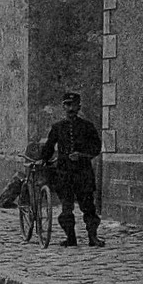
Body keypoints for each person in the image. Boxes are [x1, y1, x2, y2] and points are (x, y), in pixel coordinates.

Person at [39, 90, 105, 247]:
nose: (70, 109)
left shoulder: (87, 127)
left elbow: (96, 147)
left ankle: (92, 237)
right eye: (67, 105)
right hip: (64, 173)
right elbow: (49, 147)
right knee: (66, 208)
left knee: (88, 207)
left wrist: (82, 155)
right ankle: (70, 237)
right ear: (63, 107)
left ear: (79, 106)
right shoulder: (57, 127)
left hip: (83, 173)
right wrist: (43, 159)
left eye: (73, 105)